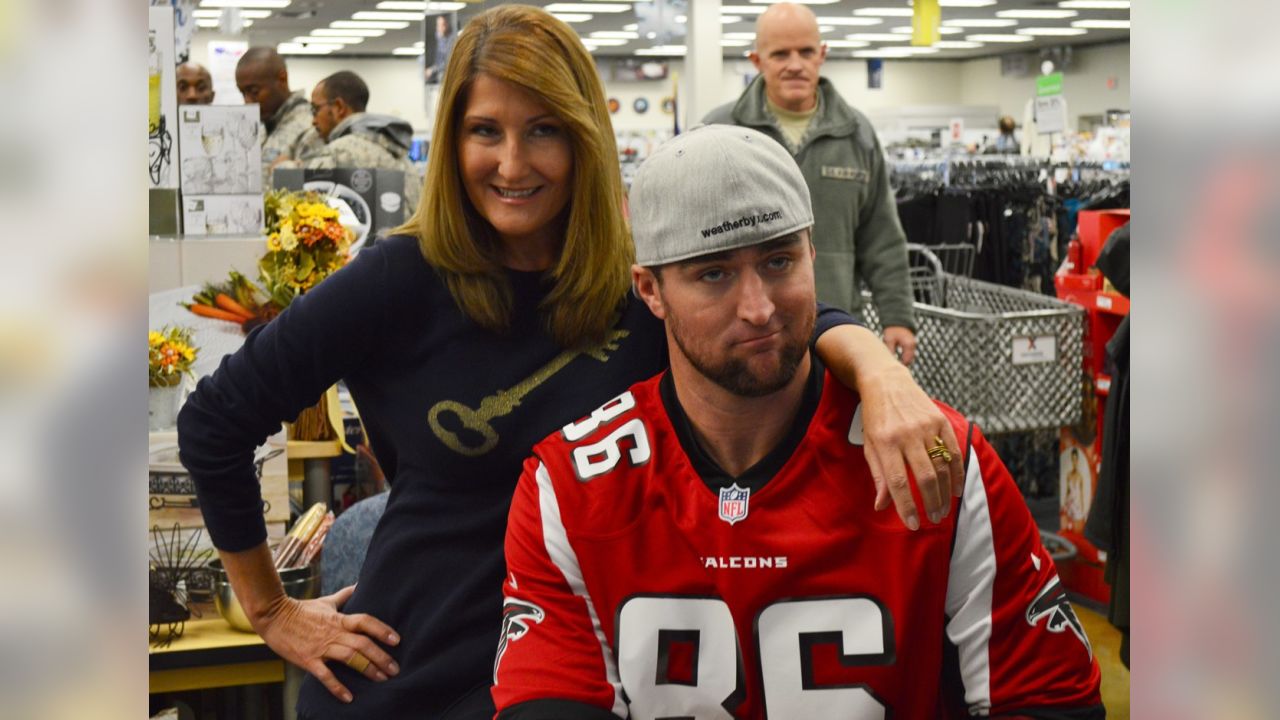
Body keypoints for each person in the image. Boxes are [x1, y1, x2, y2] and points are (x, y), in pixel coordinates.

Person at [178, 7, 961, 718]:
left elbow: (779, 320)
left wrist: (882, 372)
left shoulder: (637, 283)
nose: (512, 163)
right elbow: (216, 421)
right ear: (454, 140)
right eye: (486, 130)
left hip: (599, 675)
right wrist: (274, 611)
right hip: (418, 672)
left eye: (543, 129)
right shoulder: (399, 280)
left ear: (583, 135)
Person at [492, 124, 1104, 719]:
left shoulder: (940, 454)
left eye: (780, 261)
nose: (759, 309)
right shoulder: (569, 487)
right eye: (714, 273)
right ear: (650, 290)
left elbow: (1049, 697)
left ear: (813, 252)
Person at [704, 3, 918, 364]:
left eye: (805, 52)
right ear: (757, 61)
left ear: (822, 55)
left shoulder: (857, 134)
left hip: (836, 329)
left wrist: (897, 316)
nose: (794, 64)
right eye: (780, 54)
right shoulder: (718, 132)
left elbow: (881, 236)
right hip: (750, 333)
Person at [302, 70, 422, 214]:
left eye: (315, 109)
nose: (313, 120)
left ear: (339, 107)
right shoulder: (398, 152)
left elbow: (307, 211)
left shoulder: (336, 153)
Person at [235, 47, 323, 184]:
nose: (247, 101)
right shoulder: (264, 126)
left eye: (254, 91)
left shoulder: (310, 126)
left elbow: (311, 188)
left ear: (282, 79)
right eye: (243, 93)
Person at [425, 14, 456, 84]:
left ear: (447, 25)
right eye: (439, 25)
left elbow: (447, 62)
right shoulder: (437, 39)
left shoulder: (451, 41)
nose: (442, 28)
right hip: (437, 73)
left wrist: (432, 70)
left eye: (443, 25)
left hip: (445, 74)